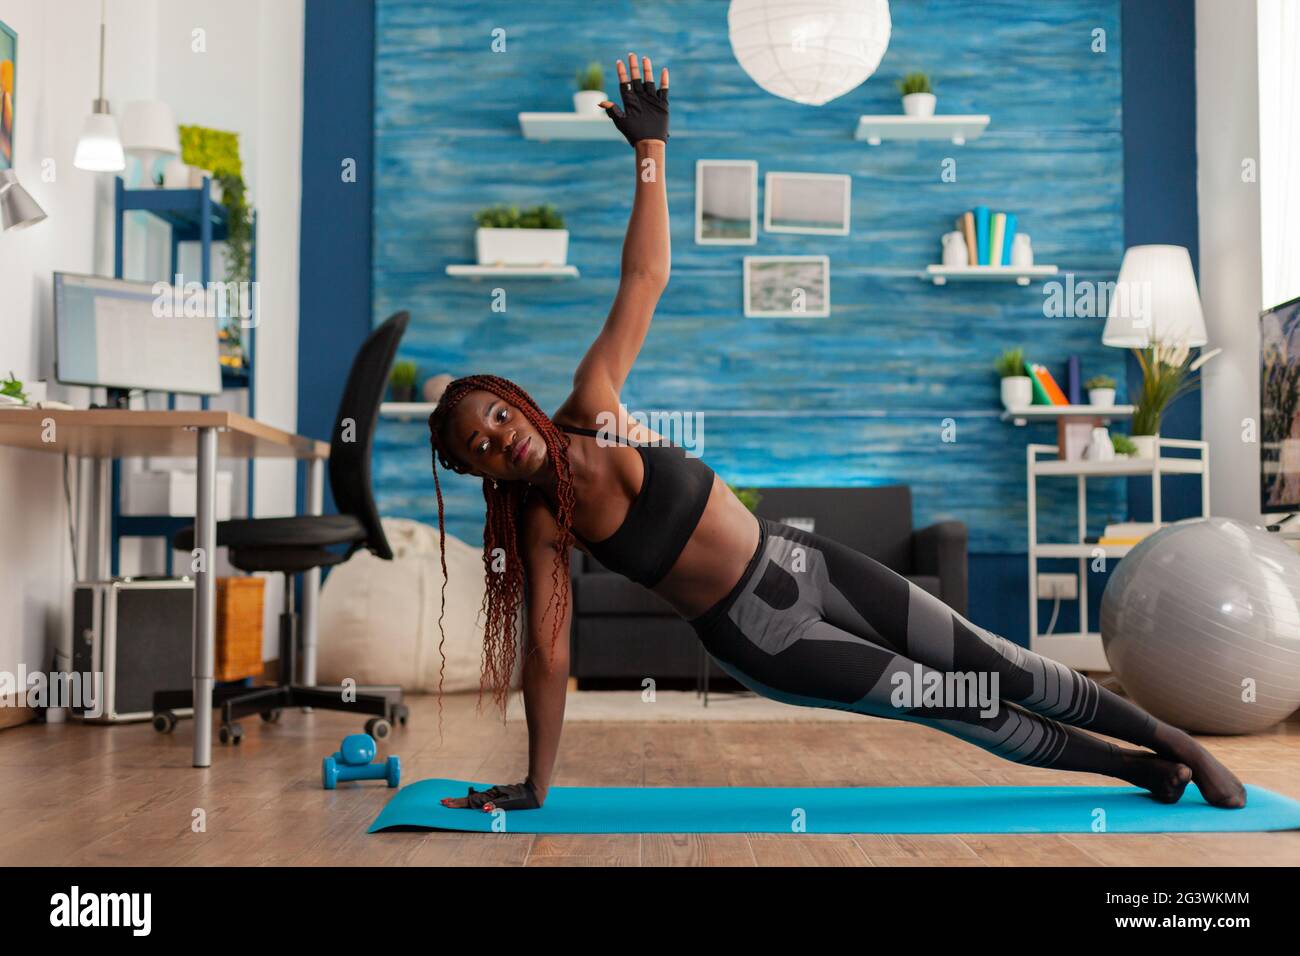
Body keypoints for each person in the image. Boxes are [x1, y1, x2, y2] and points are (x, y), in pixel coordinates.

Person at [426, 53, 1246, 814]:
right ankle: (1132, 768)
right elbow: (547, 651)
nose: (500, 439)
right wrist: (537, 781)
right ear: (480, 475)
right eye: (481, 448)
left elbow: (646, 277)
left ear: (516, 399)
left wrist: (651, 150)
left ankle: (1168, 740)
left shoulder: (593, 400)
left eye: (497, 415)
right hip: (765, 636)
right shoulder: (543, 522)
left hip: (802, 560)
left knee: (996, 662)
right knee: (959, 707)